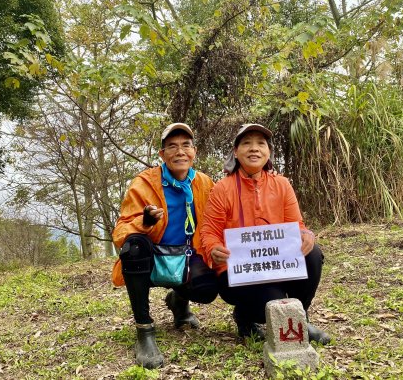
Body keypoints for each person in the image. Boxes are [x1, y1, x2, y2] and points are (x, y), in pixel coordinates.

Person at [200, 123, 330, 343]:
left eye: (261, 143)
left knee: (313, 254)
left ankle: (301, 316)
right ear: (235, 151)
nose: (254, 149)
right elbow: (209, 231)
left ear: (268, 151)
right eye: (247, 143)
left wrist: (305, 234)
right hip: (239, 273)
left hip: (277, 265)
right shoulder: (222, 188)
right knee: (267, 304)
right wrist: (213, 248)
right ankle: (245, 317)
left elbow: (296, 224)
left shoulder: (282, 185)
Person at [111, 123, 218, 369]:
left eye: (185, 145)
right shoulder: (144, 183)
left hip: (187, 256)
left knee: (208, 288)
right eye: (172, 146)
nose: (180, 152)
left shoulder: (204, 183)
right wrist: (145, 221)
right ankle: (144, 331)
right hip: (154, 256)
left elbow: (217, 220)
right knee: (134, 246)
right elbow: (120, 231)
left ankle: (179, 303)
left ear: (194, 151)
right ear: (162, 155)